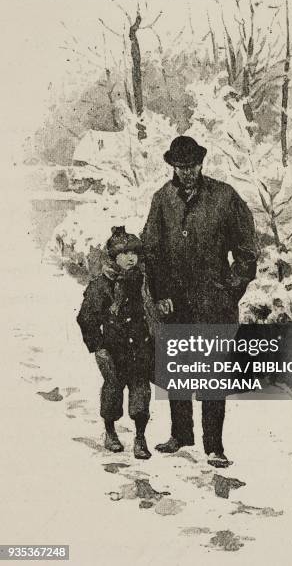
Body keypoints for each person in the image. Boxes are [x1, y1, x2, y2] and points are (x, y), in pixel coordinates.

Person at [142, 135, 257, 468]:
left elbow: (247, 253)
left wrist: (229, 290)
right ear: (173, 167)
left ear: (201, 164)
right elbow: (151, 251)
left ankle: (214, 446)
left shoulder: (224, 197)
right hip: (174, 304)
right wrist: (160, 294)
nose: (187, 172)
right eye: (181, 167)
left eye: (192, 166)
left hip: (214, 305)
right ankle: (180, 435)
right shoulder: (161, 200)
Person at [77, 226, 153, 459]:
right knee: (113, 389)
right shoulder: (101, 285)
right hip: (112, 350)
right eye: (125, 253)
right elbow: (85, 318)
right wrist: (98, 347)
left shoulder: (143, 283)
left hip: (140, 347)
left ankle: (140, 437)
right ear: (113, 257)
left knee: (141, 390)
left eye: (134, 253)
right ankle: (110, 431)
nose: (131, 258)